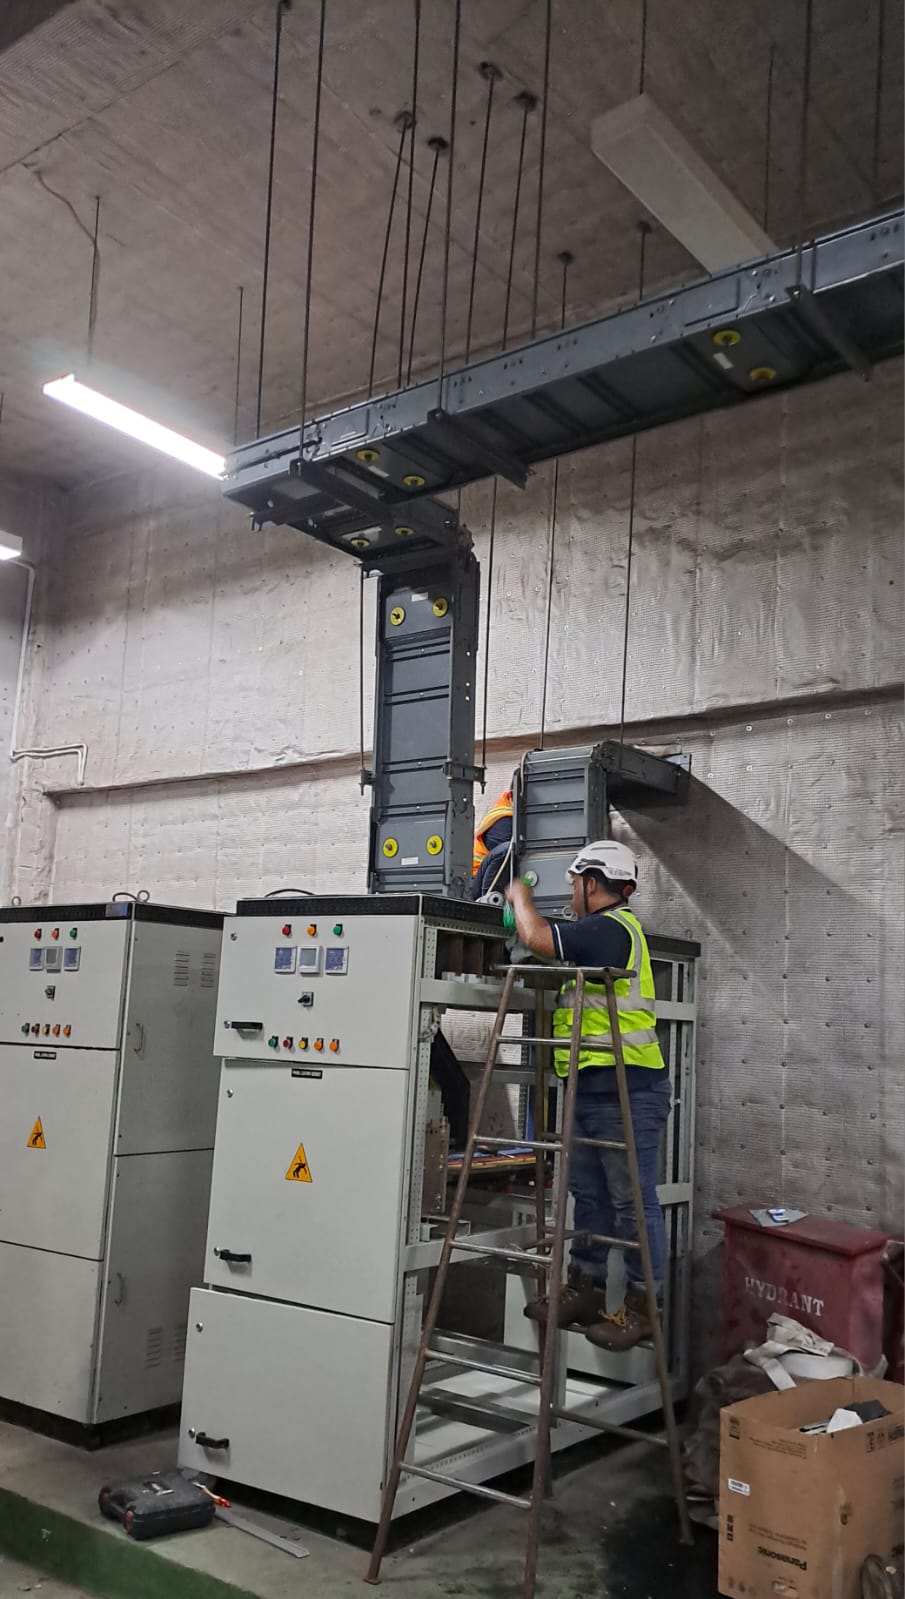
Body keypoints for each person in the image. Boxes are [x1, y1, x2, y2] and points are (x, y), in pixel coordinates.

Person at [504, 840, 670, 1351]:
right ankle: (586, 1285)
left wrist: (518, 895)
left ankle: (644, 1307)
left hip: (628, 1088)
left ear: (592, 883)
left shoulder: (610, 929)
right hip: (591, 1085)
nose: (572, 892)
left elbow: (536, 937)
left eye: (575, 882)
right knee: (590, 1196)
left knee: (632, 1202)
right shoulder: (599, 934)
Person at [470, 787, 513, 901]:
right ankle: (489, 901)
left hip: (478, 876)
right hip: (474, 881)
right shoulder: (505, 821)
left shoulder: (505, 807)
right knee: (507, 849)